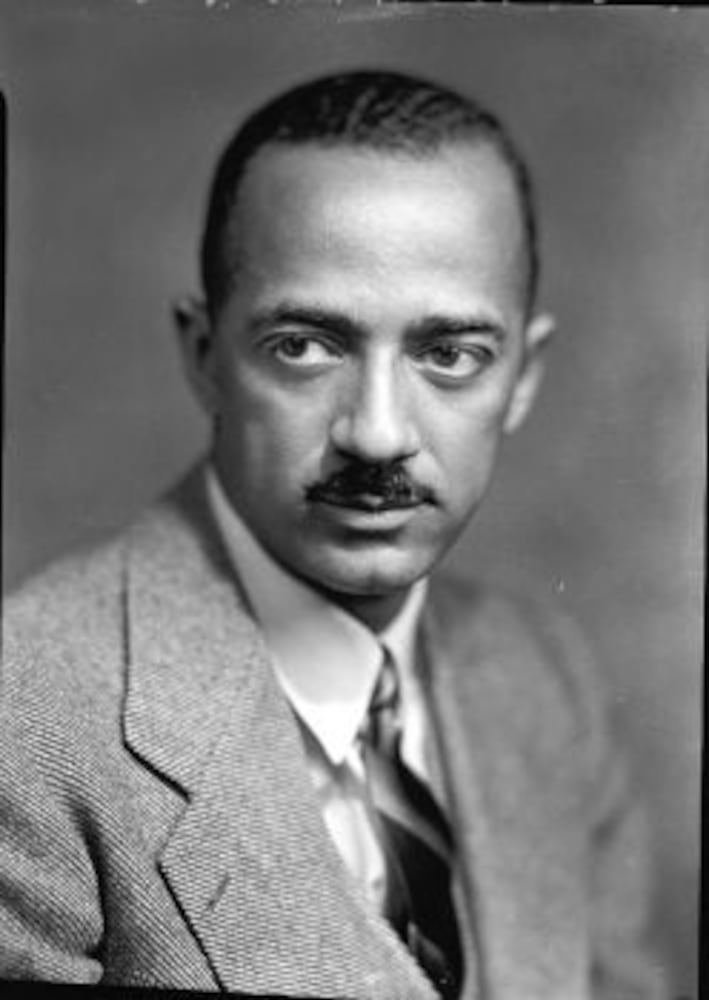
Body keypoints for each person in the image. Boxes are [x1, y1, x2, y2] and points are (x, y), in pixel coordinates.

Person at [1, 70, 665, 998]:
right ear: (205, 356)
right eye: (305, 347)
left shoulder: (547, 675)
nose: (378, 433)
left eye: (449, 355)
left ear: (521, 376)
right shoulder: (25, 714)